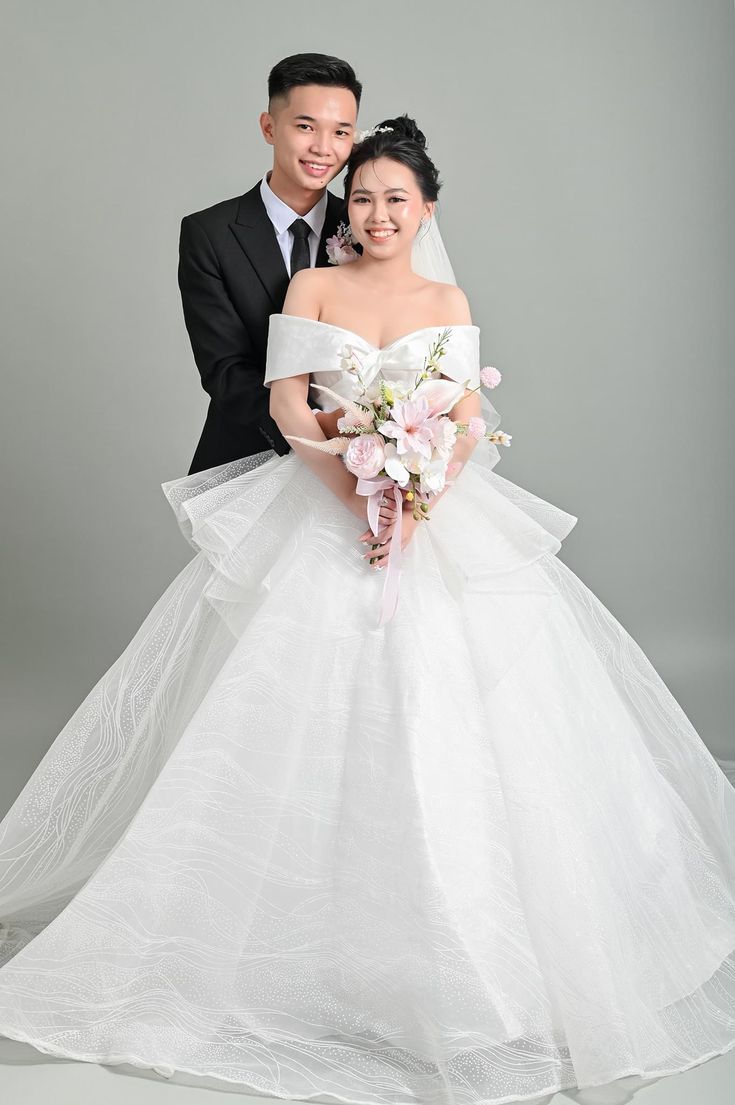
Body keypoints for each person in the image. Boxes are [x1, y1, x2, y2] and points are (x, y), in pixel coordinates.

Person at [1, 115, 735, 1105]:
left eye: (397, 197)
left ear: (427, 208)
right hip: (324, 507)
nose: (378, 213)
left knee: (463, 722)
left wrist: (419, 495)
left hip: (434, 519)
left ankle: (464, 971)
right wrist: (362, 494)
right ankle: (295, 957)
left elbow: (467, 419)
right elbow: (294, 406)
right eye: (362, 197)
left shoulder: (446, 296)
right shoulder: (313, 287)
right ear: (344, 208)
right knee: (286, 719)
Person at [179, 52, 360, 472]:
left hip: (359, 459)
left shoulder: (367, 229)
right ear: (269, 127)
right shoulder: (209, 233)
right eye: (305, 126)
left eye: (341, 132)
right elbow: (224, 369)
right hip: (249, 458)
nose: (323, 148)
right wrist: (313, 429)